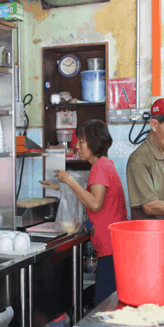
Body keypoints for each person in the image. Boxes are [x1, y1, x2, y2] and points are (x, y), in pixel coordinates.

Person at [40, 119, 127, 305]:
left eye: (81, 141)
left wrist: (69, 180)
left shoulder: (99, 168)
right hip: (114, 245)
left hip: (110, 247)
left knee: (104, 306)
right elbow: (94, 193)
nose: (76, 146)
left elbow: (95, 203)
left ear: (93, 142)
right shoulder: (106, 164)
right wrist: (60, 186)